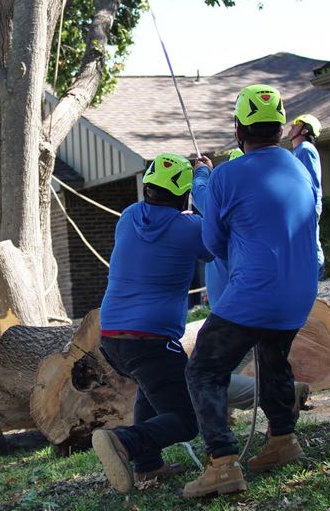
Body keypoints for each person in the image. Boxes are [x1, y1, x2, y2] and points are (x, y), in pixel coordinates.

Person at [182, 85, 318, 500]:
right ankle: (282, 440)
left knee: (203, 368)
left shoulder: (225, 174)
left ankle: (222, 463)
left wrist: (203, 174)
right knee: (273, 358)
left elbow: (214, 241)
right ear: (280, 128)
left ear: (239, 129)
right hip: (300, 291)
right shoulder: (298, 167)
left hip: (254, 291)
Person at [92, 153, 210, 494]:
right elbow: (216, 242)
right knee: (187, 420)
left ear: (147, 188)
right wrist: (205, 178)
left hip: (112, 338)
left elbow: (166, 227)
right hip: (152, 341)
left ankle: (148, 465)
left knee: (150, 386)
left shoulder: (128, 217)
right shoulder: (188, 229)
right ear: (184, 196)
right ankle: (125, 443)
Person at [289, 113, 326, 280]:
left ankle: (318, 279)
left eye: (296, 124)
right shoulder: (299, 151)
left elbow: (308, 183)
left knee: (310, 244)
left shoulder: (305, 150)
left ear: (304, 130)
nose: (291, 126)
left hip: (307, 207)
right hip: (304, 207)